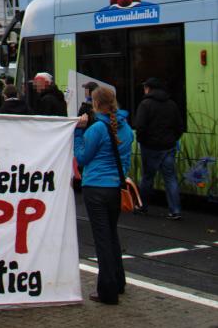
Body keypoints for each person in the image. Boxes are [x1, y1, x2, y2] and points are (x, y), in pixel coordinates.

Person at [74, 86, 133, 305]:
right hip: (115, 189)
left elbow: (81, 157)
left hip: (95, 188)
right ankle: (119, 282)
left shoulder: (97, 129)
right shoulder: (126, 129)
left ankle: (107, 291)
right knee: (111, 235)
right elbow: (125, 160)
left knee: (102, 240)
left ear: (96, 104)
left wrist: (78, 132)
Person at [134, 77, 184, 220]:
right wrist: (172, 139)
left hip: (150, 147)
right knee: (170, 178)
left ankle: (143, 206)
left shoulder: (145, 104)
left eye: (145, 87)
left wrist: (142, 141)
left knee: (148, 178)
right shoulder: (171, 104)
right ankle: (175, 210)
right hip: (168, 146)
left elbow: (140, 127)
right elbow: (179, 127)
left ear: (149, 88)